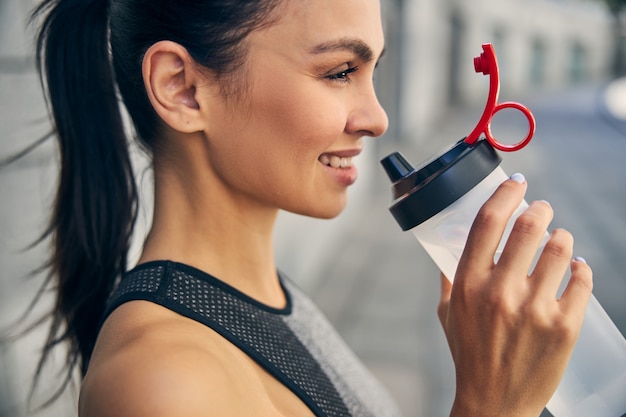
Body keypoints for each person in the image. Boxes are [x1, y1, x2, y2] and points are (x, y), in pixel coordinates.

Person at [28, 0, 593, 415]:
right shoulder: (164, 383)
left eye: (371, 72)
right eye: (340, 71)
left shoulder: (271, 298)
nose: (377, 118)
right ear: (182, 88)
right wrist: (491, 405)